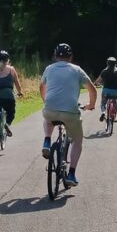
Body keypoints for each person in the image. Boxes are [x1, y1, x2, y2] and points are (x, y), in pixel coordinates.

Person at [40, 43, 96, 187]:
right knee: (77, 141)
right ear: (70, 57)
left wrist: (46, 100)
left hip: (50, 109)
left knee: (47, 117)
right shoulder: (77, 70)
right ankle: (71, 174)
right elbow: (92, 90)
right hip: (70, 113)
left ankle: (47, 141)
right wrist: (91, 105)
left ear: (55, 56)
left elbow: (42, 87)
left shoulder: (49, 69)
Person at [0, 49, 24, 141]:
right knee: (11, 112)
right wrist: (19, 92)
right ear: (8, 60)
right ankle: (6, 124)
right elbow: (17, 84)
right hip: (8, 96)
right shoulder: (11, 70)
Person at [96, 56, 117, 122]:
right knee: (114, 102)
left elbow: (97, 81)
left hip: (106, 91)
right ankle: (114, 117)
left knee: (103, 103)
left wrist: (96, 84)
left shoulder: (104, 71)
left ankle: (103, 112)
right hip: (115, 92)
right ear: (115, 64)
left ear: (107, 63)